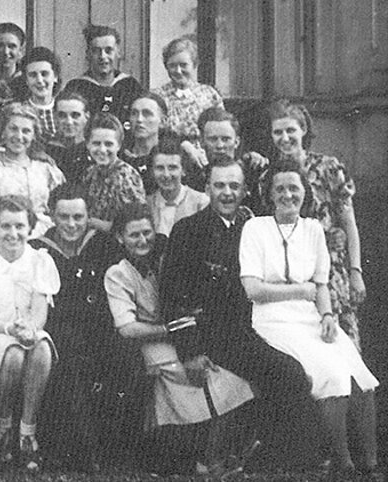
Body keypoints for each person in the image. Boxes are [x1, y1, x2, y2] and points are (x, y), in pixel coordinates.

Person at [159, 156, 319, 469]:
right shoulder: (188, 231)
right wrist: (190, 351)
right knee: (288, 373)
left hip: (264, 324)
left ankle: (281, 455)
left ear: (245, 190)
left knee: (304, 366)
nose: (227, 192)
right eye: (219, 185)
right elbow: (172, 297)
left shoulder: (254, 226)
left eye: (234, 185)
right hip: (217, 333)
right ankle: (286, 460)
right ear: (207, 188)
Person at [239, 159, 379, 477]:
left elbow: (321, 285)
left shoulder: (314, 229)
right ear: (269, 194)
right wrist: (302, 290)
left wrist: (328, 314)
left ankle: (370, 464)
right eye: (280, 189)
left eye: (294, 188)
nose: (288, 195)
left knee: (361, 376)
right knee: (332, 375)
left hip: (312, 317)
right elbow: (254, 290)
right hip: (273, 320)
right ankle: (342, 462)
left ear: (305, 193)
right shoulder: (255, 228)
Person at [105, 203, 253, 475]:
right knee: (200, 377)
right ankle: (206, 458)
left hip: (181, 333)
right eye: (134, 235)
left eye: (147, 233)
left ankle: (214, 452)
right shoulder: (118, 273)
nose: (142, 240)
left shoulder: (166, 259)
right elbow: (127, 328)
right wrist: (171, 329)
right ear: (120, 238)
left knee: (226, 372)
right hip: (150, 342)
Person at [0, 195, 61, 472]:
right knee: (14, 354)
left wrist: (31, 329)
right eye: (6, 226)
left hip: (28, 329)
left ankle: (27, 434)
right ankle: (1, 430)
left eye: (19, 226)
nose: (13, 233)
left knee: (41, 347)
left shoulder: (40, 260)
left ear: (30, 228)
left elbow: (40, 311)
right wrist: (11, 330)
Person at [29, 183, 124, 472]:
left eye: (78, 217)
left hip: (102, 328)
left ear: (88, 217)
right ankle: (82, 451)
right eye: (64, 217)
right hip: (60, 331)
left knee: (121, 362)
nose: (72, 224)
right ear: (51, 216)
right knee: (68, 364)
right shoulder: (38, 250)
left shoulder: (104, 245)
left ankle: (118, 448)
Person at [258, 99, 367, 350]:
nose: (284, 138)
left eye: (290, 130)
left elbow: (349, 224)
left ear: (303, 130)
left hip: (332, 268)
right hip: (293, 273)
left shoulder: (328, 167)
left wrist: (356, 271)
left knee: (343, 343)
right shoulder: (268, 177)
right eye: (278, 132)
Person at [0, 102, 65, 237]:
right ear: (2, 132)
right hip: (5, 238)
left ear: (34, 135)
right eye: (13, 129)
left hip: (45, 237)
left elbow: (61, 210)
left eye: (26, 131)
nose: (19, 136)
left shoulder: (46, 168)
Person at [153, 37, 224, 167]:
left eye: (183, 65)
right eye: (172, 66)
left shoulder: (209, 94)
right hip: (171, 159)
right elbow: (156, 134)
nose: (178, 71)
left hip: (207, 159)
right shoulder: (157, 97)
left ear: (194, 65)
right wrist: (184, 145)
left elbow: (222, 128)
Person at [183, 107, 268, 205]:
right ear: (202, 142)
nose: (220, 146)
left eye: (225, 139)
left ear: (236, 142)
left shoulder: (253, 172)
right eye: (213, 139)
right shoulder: (195, 182)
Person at [61, 25, 143, 125]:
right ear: (88, 54)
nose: (103, 56)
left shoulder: (130, 85)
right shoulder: (76, 87)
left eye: (108, 51)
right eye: (96, 51)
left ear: (118, 53)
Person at [81, 112, 146, 232]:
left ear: (119, 145)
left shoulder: (125, 176)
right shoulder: (89, 173)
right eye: (96, 143)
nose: (102, 150)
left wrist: (101, 224)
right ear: (87, 145)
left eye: (108, 144)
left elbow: (137, 222)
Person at [146, 134, 209, 237]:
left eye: (172, 168)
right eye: (160, 168)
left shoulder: (201, 203)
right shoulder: (146, 205)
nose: (166, 175)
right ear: (152, 171)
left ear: (183, 170)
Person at [121, 92, 169, 194]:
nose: (139, 119)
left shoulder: (170, 157)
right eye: (134, 113)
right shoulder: (120, 156)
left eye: (147, 114)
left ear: (163, 121)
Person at [45, 91, 93, 183]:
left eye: (75, 115)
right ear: (54, 117)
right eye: (62, 116)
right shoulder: (46, 151)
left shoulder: (95, 150)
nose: (69, 122)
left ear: (87, 116)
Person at [18, 47, 60, 143]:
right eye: (33, 75)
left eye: (44, 74)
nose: (39, 80)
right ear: (26, 80)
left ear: (55, 77)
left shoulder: (64, 110)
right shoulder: (20, 111)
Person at [0, 22, 26, 98]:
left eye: (12, 46)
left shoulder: (27, 81)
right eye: (0, 45)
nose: (5, 52)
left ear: (21, 51)